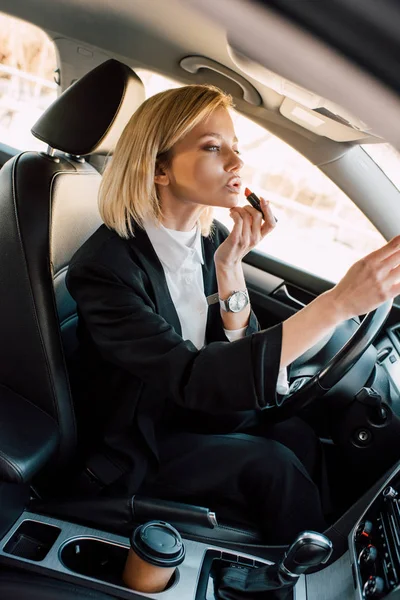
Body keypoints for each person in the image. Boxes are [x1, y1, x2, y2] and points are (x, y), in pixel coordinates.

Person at [66, 84, 400, 544]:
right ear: (159, 168)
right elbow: (190, 376)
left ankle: (327, 551)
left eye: (236, 149)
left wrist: (230, 269)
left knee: (296, 434)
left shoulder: (209, 240)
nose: (237, 163)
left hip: (189, 412)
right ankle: (305, 576)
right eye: (212, 148)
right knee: (274, 467)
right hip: (138, 439)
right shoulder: (104, 269)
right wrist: (337, 304)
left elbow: (233, 354)